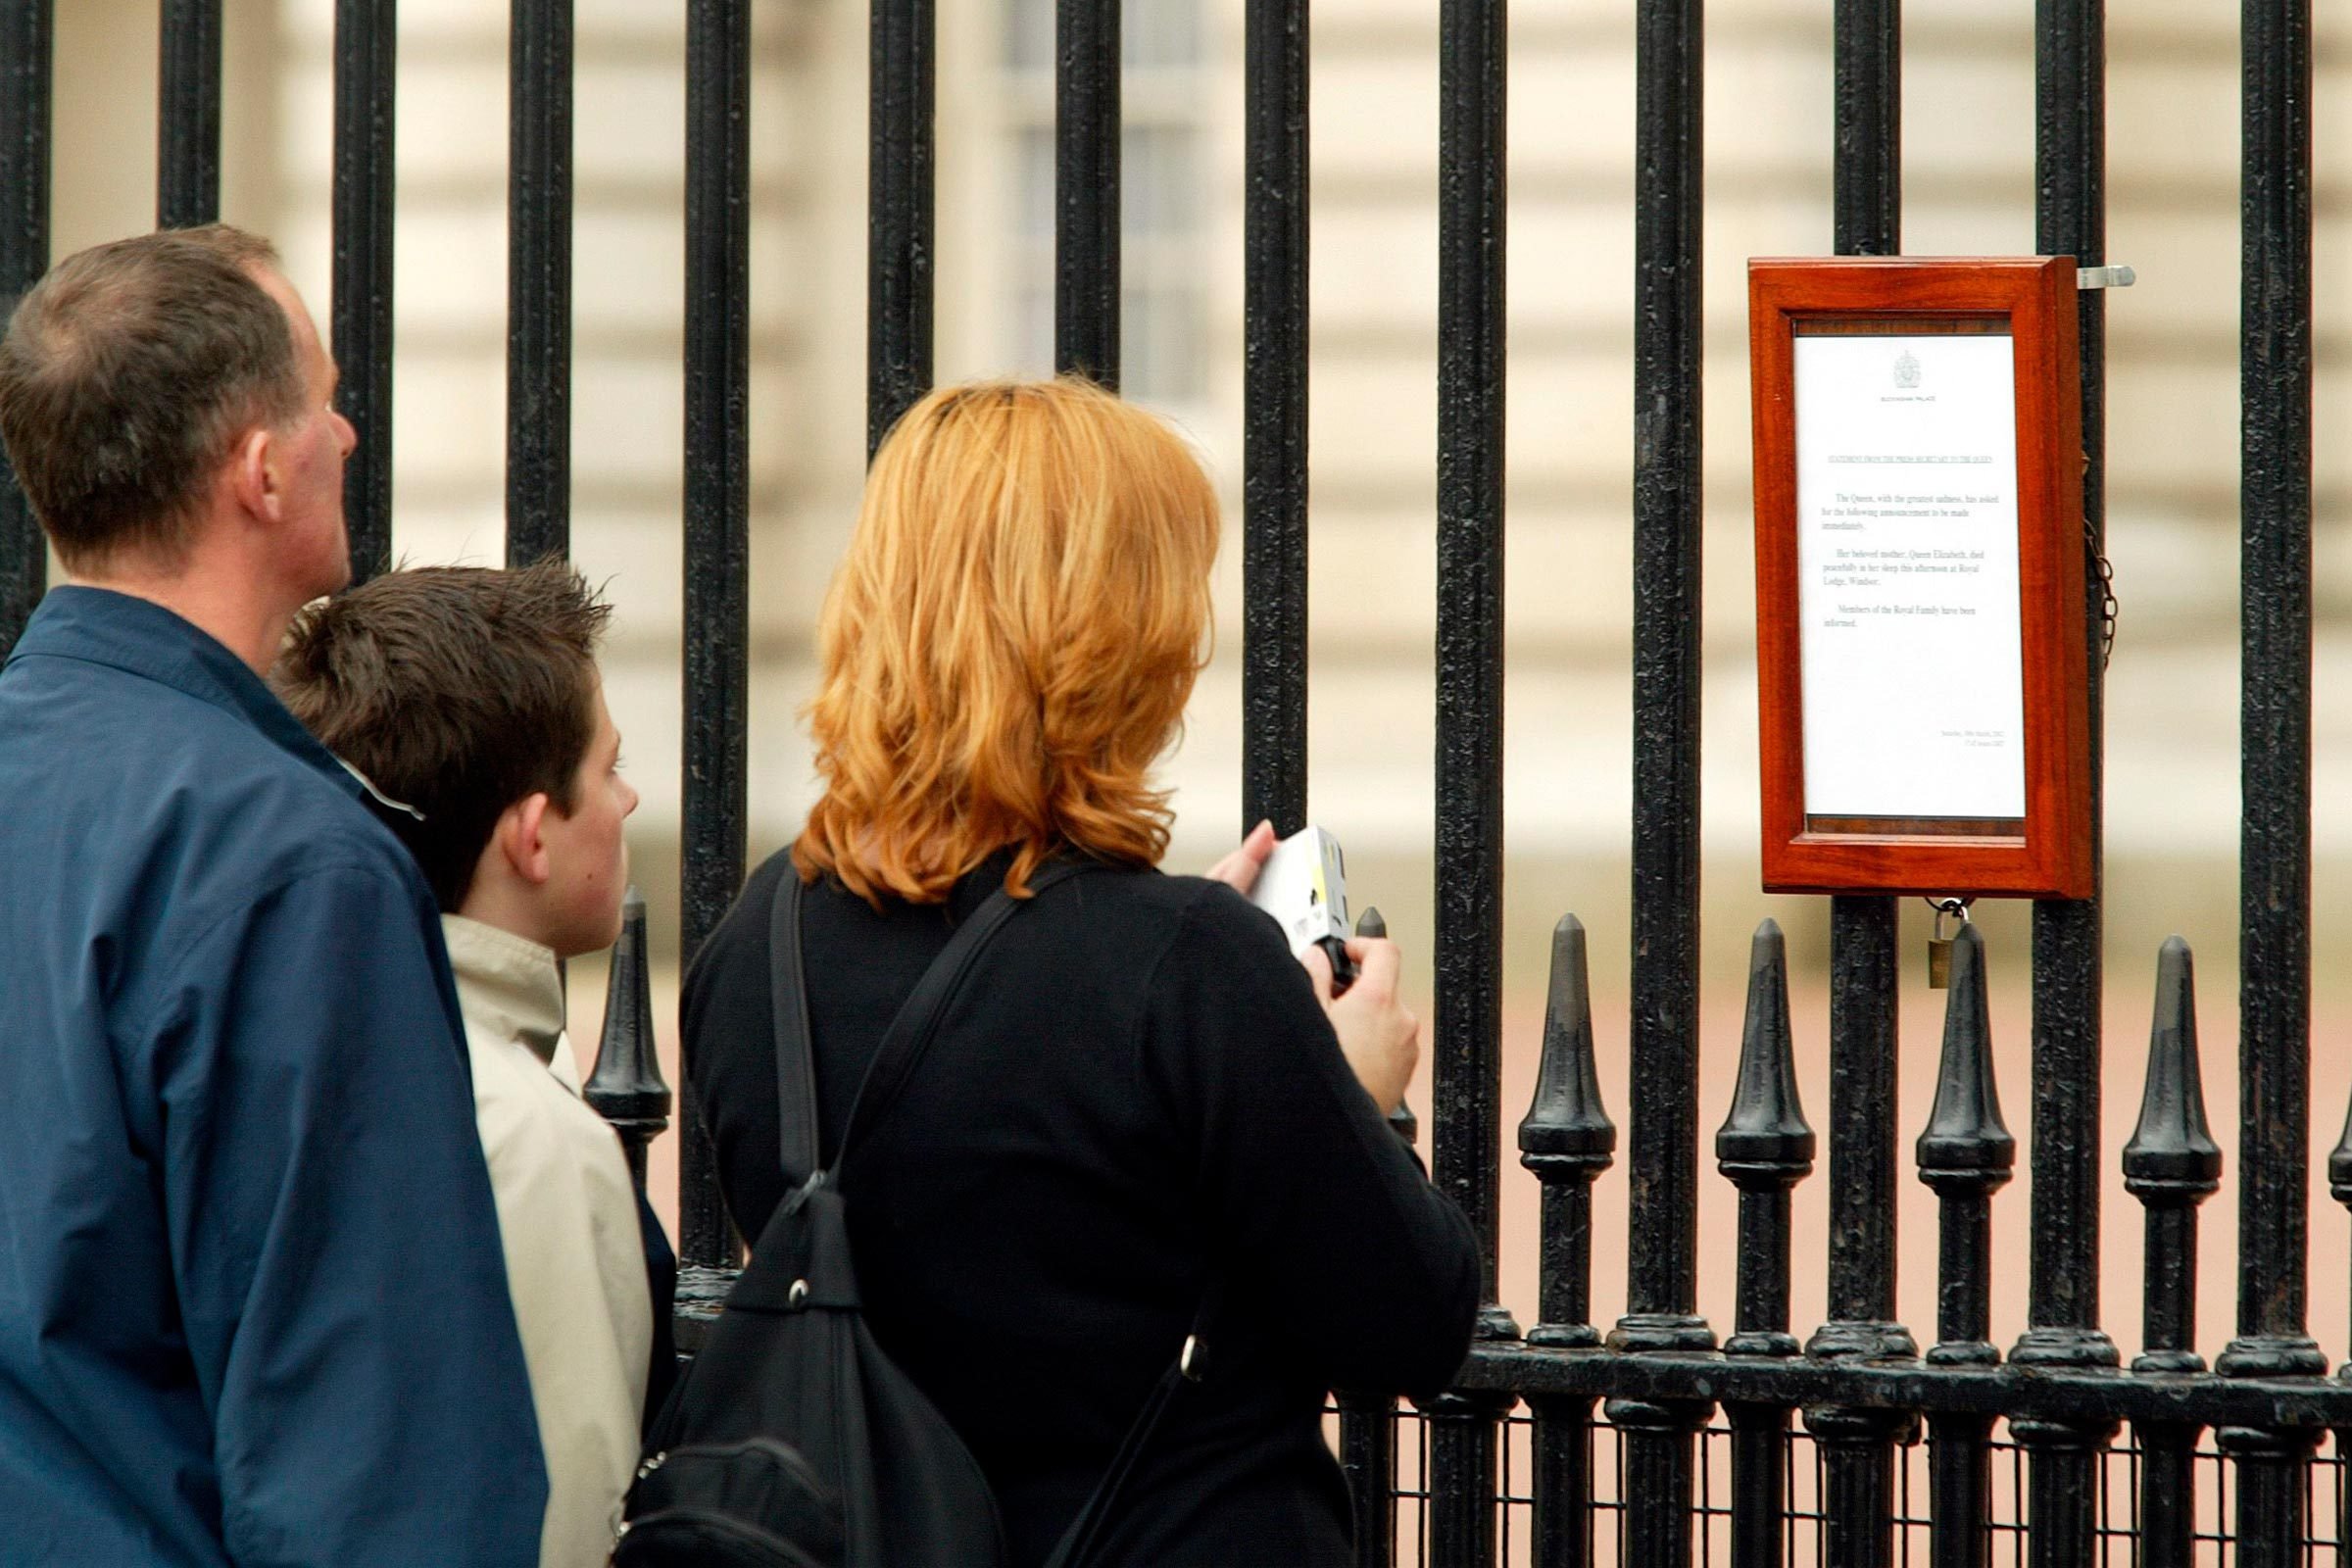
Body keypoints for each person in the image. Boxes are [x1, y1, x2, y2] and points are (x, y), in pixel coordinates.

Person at [683, 377, 1480, 1566]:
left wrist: (1194, 976)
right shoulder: (1188, 968)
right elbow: (1412, 1323)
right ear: (1121, 636)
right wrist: (1352, 1084)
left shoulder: (756, 940)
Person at [0, 226, 545, 1564]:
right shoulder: (289, 863)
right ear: (258, 469)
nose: (345, 433)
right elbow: (383, 1465)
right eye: (323, 400)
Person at [273, 560, 674, 1568]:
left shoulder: (286, 1047)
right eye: (607, 769)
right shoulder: (535, 1138)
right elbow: (568, 1511)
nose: (626, 801)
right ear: (533, 837)